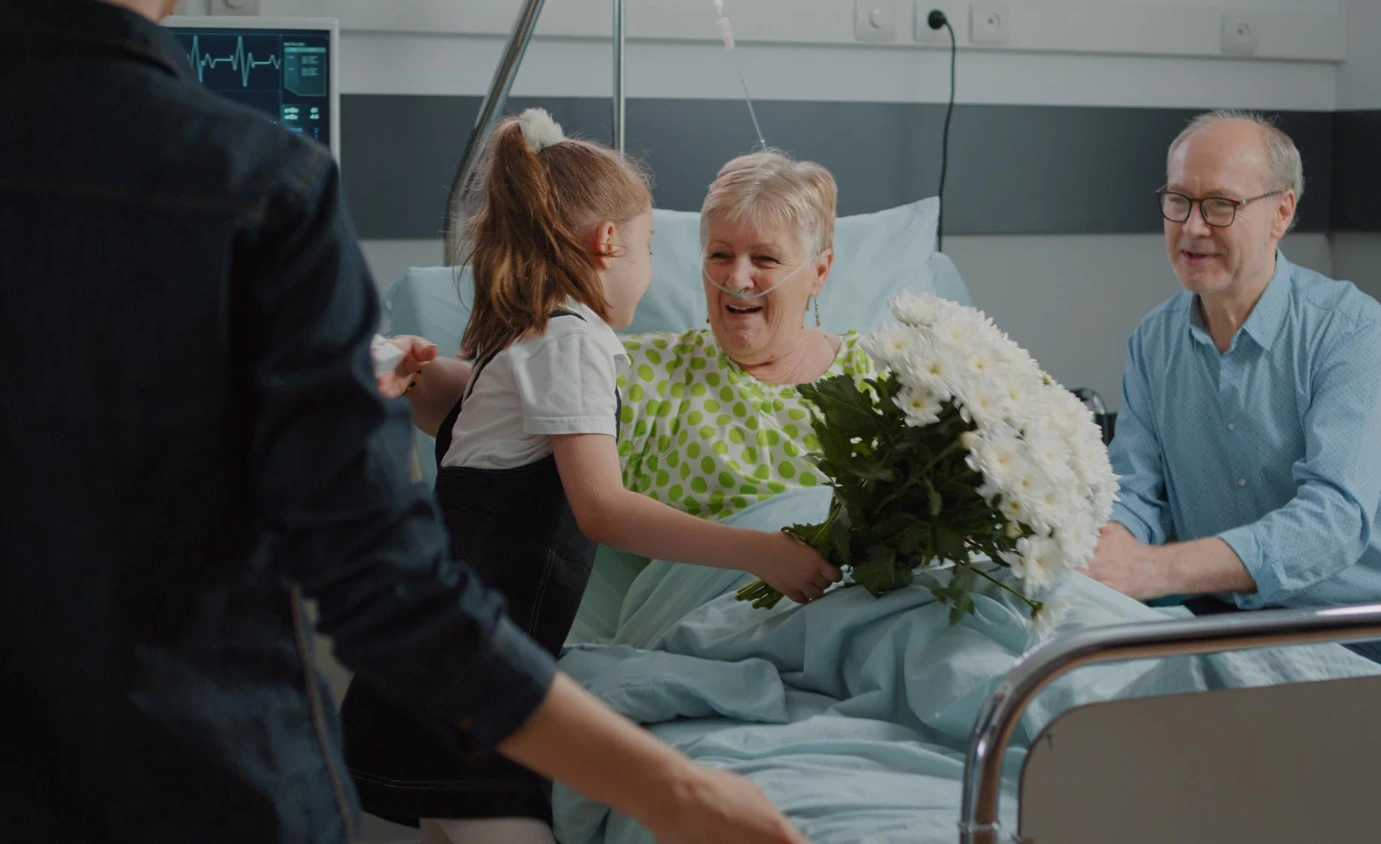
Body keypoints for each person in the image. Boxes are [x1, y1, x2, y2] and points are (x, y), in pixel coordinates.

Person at [0, 2, 809, 842]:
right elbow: (379, 569)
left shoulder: (522, 345)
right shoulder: (256, 187)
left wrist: (376, 375)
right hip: (218, 753)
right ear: (610, 242)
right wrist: (670, 790)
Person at [339, 113, 838, 843]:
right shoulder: (574, 341)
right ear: (610, 242)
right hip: (473, 675)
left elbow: (472, 409)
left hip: (457, 663)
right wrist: (763, 551)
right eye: (652, 247)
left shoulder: (532, 330)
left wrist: (419, 372)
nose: (653, 269)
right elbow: (602, 510)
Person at [1083, 109, 1381, 672]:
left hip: (1359, 624)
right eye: (1179, 201)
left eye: (1220, 205)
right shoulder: (1153, 342)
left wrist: (1154, 570)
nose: (1193, 228)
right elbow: (1138, 495)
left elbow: (1333, 523)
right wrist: (1101, 550)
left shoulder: (1349, 329)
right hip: (1219, 618)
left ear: (1281, 213)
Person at [392, 149, 877, 529]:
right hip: (718, 609)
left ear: (819, 272)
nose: (738, 277)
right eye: (720, 254)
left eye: (766, 259)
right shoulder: (640, 370)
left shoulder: (889, 378)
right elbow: (492, 395)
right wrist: (407, 369)